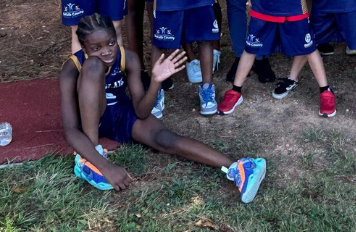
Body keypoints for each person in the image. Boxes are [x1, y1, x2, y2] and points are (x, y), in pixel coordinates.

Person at [59, 14, 266, 202]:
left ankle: (239, 167)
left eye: (111, 43)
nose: (106, 51)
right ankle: (91, 159)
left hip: (119, 113)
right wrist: (106, 167)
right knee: (93, 66)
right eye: (96, 48)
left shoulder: (127, 58)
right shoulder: (72, 67)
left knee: (164, 139)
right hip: (92, 119)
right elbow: (70, 129)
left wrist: (155, 82)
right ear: (84, 48)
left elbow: (141, 111)